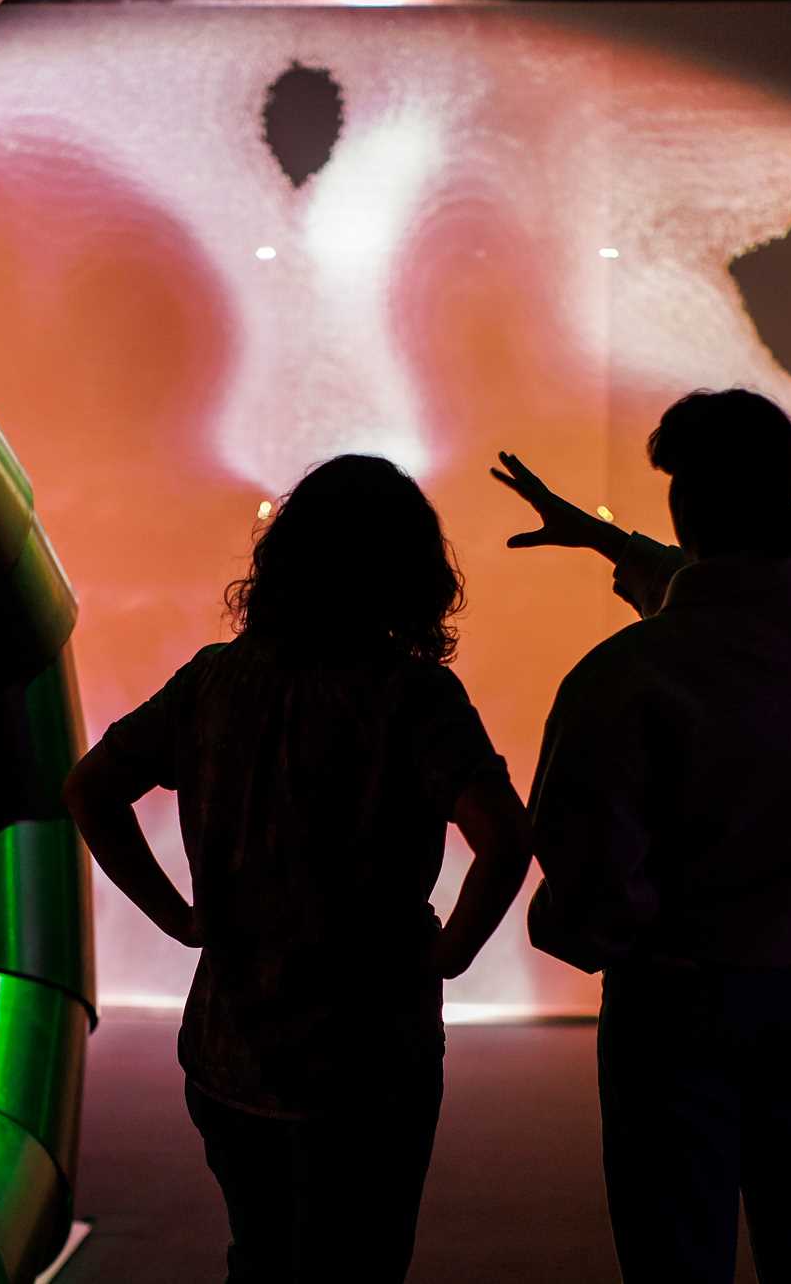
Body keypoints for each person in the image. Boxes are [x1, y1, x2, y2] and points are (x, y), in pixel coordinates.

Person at [65, 453, 531, 1284]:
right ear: (410, 573)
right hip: (372, 1053)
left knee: (261, 1259)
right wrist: (451, 952)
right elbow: (504, 837)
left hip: (229, 1047)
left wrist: (180, 917)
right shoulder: (414, 698)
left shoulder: (212, 682)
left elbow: (90, 789)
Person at [494, 388, 791, 1284]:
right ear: (788, 488)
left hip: (676, 1008)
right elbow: (738, 599)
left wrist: (583, 933)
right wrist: (613, 545)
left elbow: (587, 883)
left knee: (674, 1258)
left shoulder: (622, 675)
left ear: (683, 502)